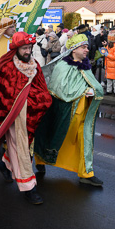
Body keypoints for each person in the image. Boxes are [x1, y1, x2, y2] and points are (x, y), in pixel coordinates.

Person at [0, 32, 52, 205]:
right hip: (13, 114)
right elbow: (10, 94)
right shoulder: (8, 67)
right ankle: (29, 187)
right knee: (21, 149)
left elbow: (41, 88)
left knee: (22, 146)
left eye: (29, 48)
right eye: (24, 48)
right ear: (16, 49)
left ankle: (4, 164)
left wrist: (40, 100)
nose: (28, 51)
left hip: (31, 114)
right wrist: (29, 98)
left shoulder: (34, 64)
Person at [35, 33, 105, 187]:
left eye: (87, 47)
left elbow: (91, 84)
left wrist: (92, 91)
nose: (87, 50)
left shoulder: (86, 66)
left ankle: (86, 173)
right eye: (83, 47)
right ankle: (40, 159)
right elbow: (60, 90)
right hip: (65, 112)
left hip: (83, 113)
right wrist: (83, 91)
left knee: (85, 140)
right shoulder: (62, 66)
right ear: (74, 49)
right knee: (52, 137)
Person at [103, 32, 115, 96]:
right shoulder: (109, 46)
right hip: (109, 65)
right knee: (109, 79)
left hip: (114, 65)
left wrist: (107, 55)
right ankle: (109, 90)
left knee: (114, 80)